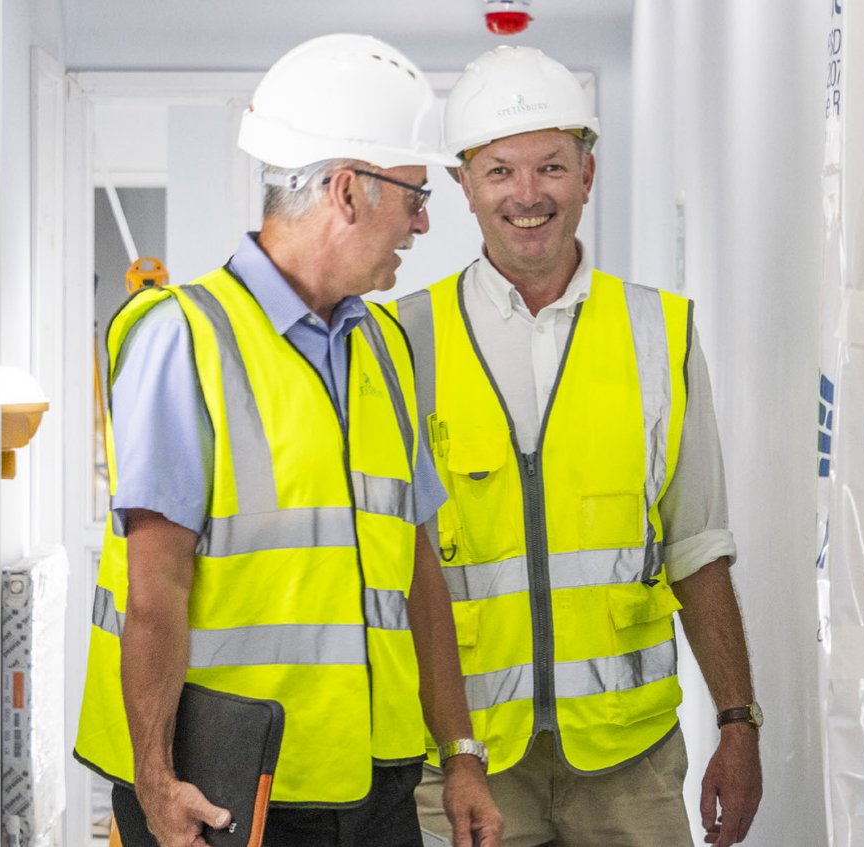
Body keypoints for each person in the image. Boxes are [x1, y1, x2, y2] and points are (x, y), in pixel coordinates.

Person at [73, 34, 505, 847]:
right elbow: (153, 585)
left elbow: (417, 568)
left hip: (374, 782)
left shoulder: (382, 345)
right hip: (232, 788)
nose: (419, 222)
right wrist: (155, 780)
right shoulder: (185, 337)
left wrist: (462, 756)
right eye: (413, 195)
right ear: (346, 190)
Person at [389, 46, 763, 847]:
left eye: (551, 166)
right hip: (463, 760)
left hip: (630, 760)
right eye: (499, 172)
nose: (528, 196)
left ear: (587, 176)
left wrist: (737, 720)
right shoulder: (401, 338)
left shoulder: (659, 332)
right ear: (463, 186)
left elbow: (698, 543)